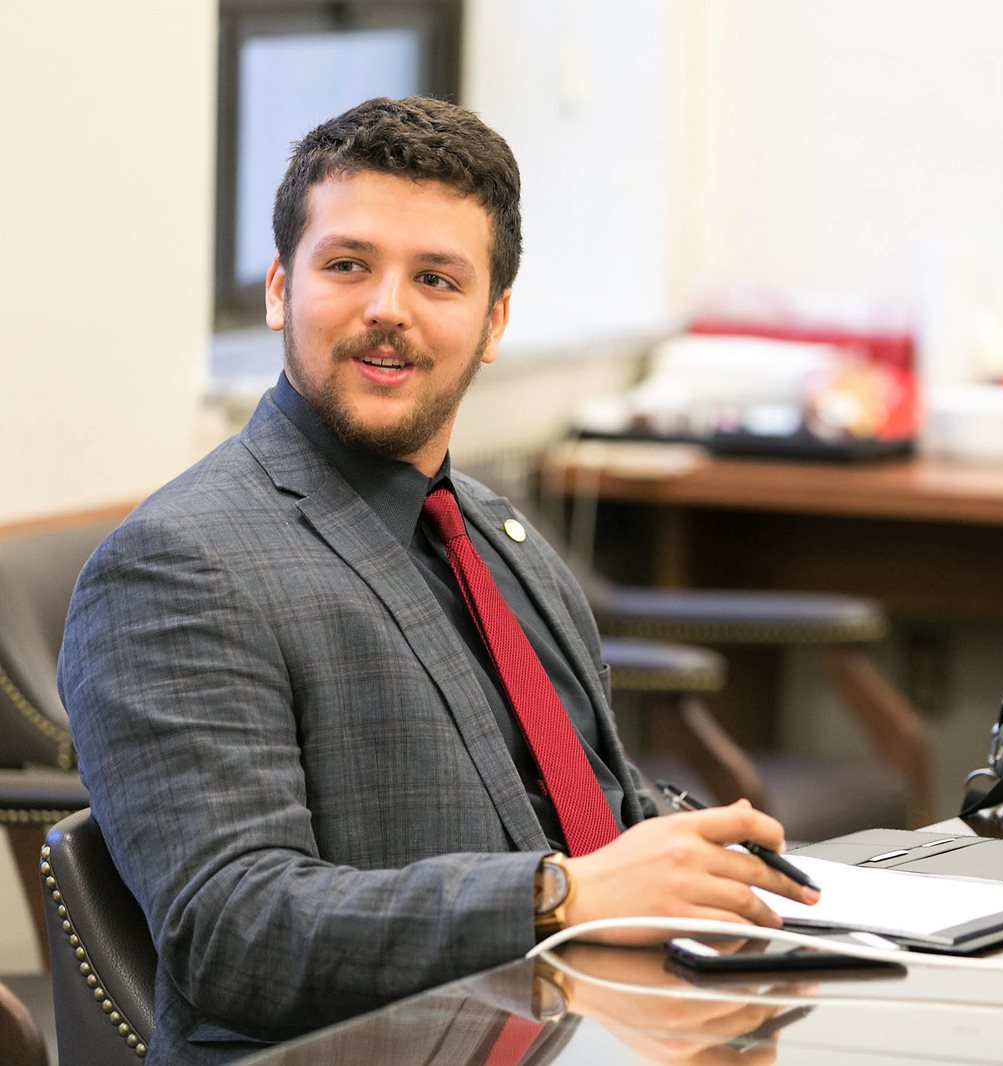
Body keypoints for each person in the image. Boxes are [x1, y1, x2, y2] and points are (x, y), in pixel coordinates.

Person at [58, 96, 818, 1065]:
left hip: (595, 1031)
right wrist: (564, 895)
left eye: (436, 279)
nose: (388, 309)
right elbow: (232, 931)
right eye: (347, 266)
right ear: (279, 290)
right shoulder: (178, 564)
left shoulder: (497, 536)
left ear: (493, 320)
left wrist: (698, 858)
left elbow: (577, 807)